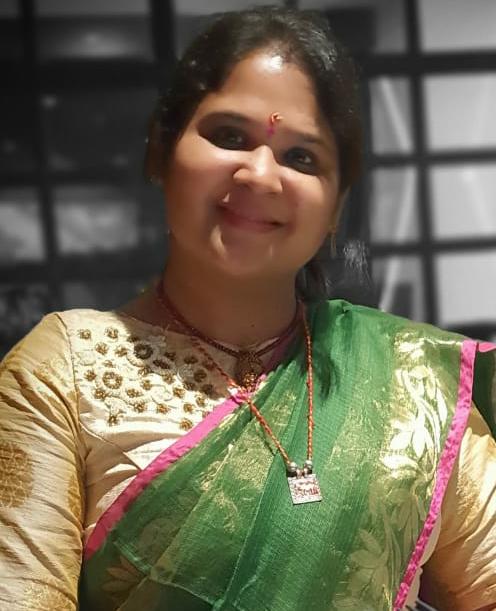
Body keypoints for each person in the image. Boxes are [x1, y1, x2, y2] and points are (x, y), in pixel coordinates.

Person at [0, 7, 495, 611]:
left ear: (337, 207)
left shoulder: (411, 377)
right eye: (230, 136)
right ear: (161, 152)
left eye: (302, 157)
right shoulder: (63, 371)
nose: (261, 174)